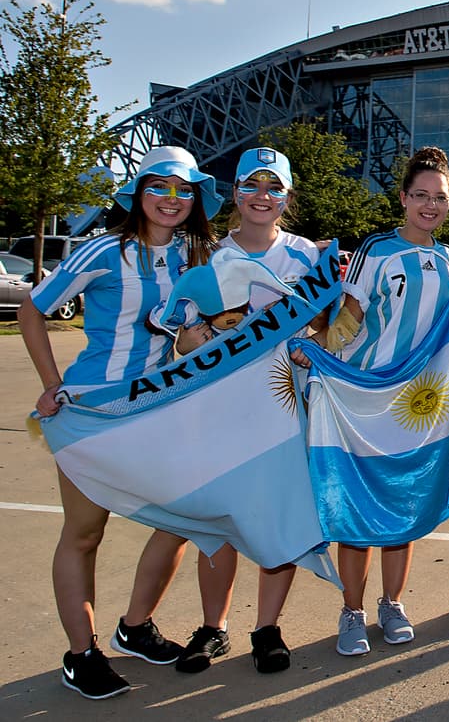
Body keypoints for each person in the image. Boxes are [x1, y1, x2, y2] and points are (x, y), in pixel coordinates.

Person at [18, 146, 220, 699]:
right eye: (160, 187)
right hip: (91, 412)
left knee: (184, 518)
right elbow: (32, 309)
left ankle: (135, 627)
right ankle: (81, 655)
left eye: (184, 190)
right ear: (138, 194)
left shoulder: (196, 258)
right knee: (85, 534)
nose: (172, 200)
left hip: (155, 412)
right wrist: (49, 382)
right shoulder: (104, 251)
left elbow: (189, 332)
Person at [174, 147, 324, 674]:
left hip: (285, 407)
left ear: (287, 196)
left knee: (274, 517)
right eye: (253, 186)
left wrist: (314, 343)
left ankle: (267, 627)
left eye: (274, 187)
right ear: (235, 192)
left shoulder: (308, 255)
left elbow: (329, 327)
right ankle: (213, 627)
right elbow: (183, 342)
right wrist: (208, 333)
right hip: (220, 409)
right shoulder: (205, 256)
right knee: (218, 522)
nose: (263, 197)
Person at [322, 146, 449, 656]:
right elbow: (350, 318)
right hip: (364, 396)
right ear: (403, 198)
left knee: (403, 502)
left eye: (440, 198)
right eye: (421, 196)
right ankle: (352, 611)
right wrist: (318, 354)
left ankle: (392, 604)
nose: (430, 205)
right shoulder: (375, 251)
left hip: (416, 404)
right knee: (360, 508)